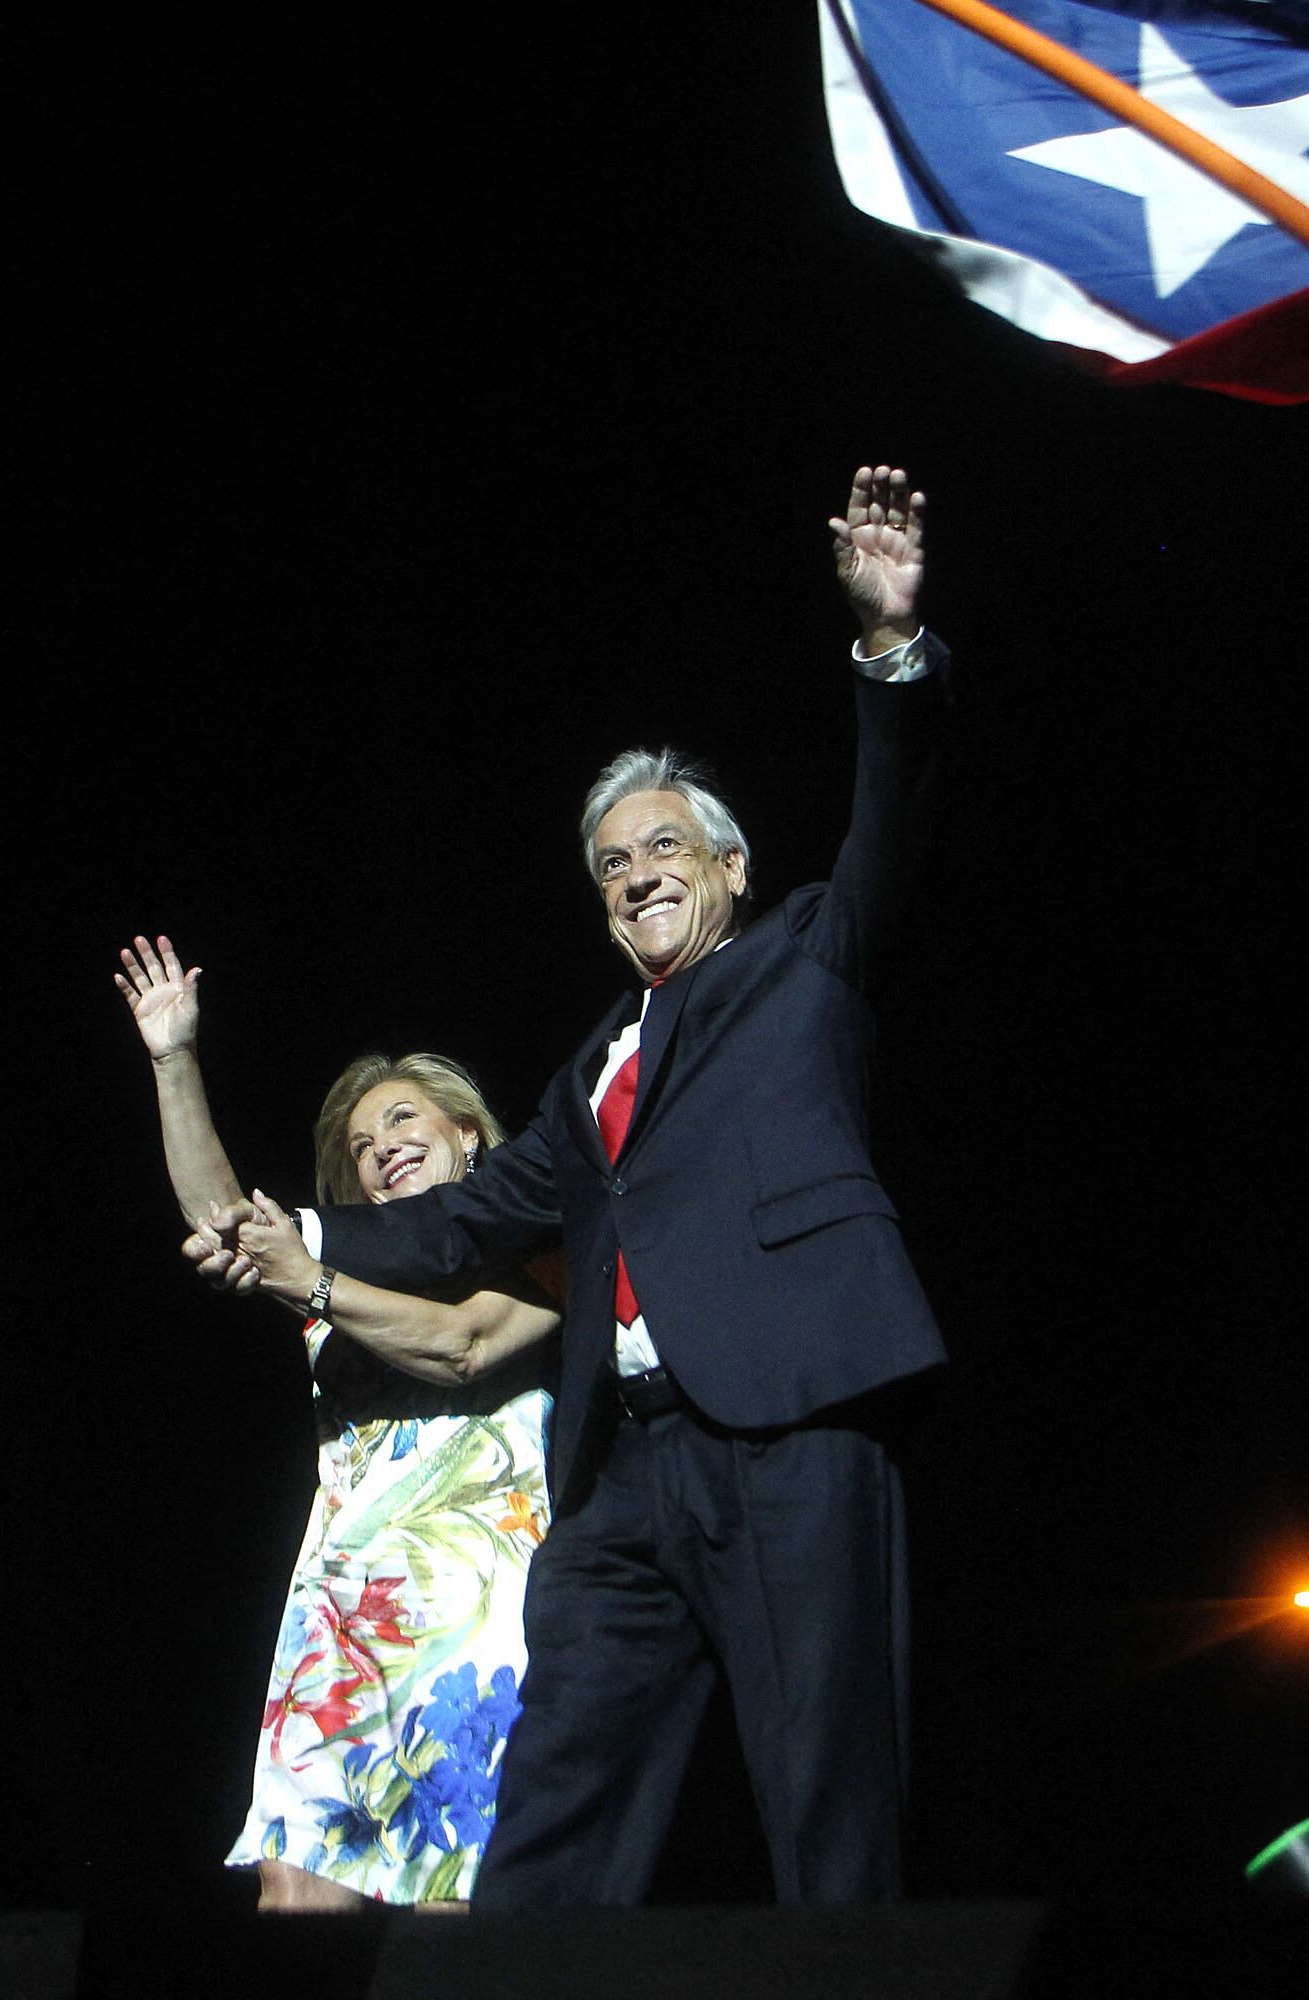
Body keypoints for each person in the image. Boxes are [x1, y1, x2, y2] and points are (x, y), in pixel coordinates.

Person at [188, 463, 951, 1905]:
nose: (637, 876)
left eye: (665, 848)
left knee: (823, 1797)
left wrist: (889, 649)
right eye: (610, 865)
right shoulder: (591, 1067)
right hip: (625, 1473)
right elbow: (469, 1217)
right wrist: (295, 1233)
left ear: (730, 866)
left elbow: (896, 814)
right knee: (554, 1811)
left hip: (790, 1421)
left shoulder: (806, 956)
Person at [112, 938, 558, 1911]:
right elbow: (224, 1221)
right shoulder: (342, 1271)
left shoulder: (547, 1241)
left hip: (477, 1609)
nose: (382, 1141)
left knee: (446, 1891)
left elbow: (465, 1346)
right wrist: (173, 1059)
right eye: (361, 1142)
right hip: (343, 1612)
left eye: (403, 1117)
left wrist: (310, 1279)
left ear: (468, 1134)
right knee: (296, 1887)